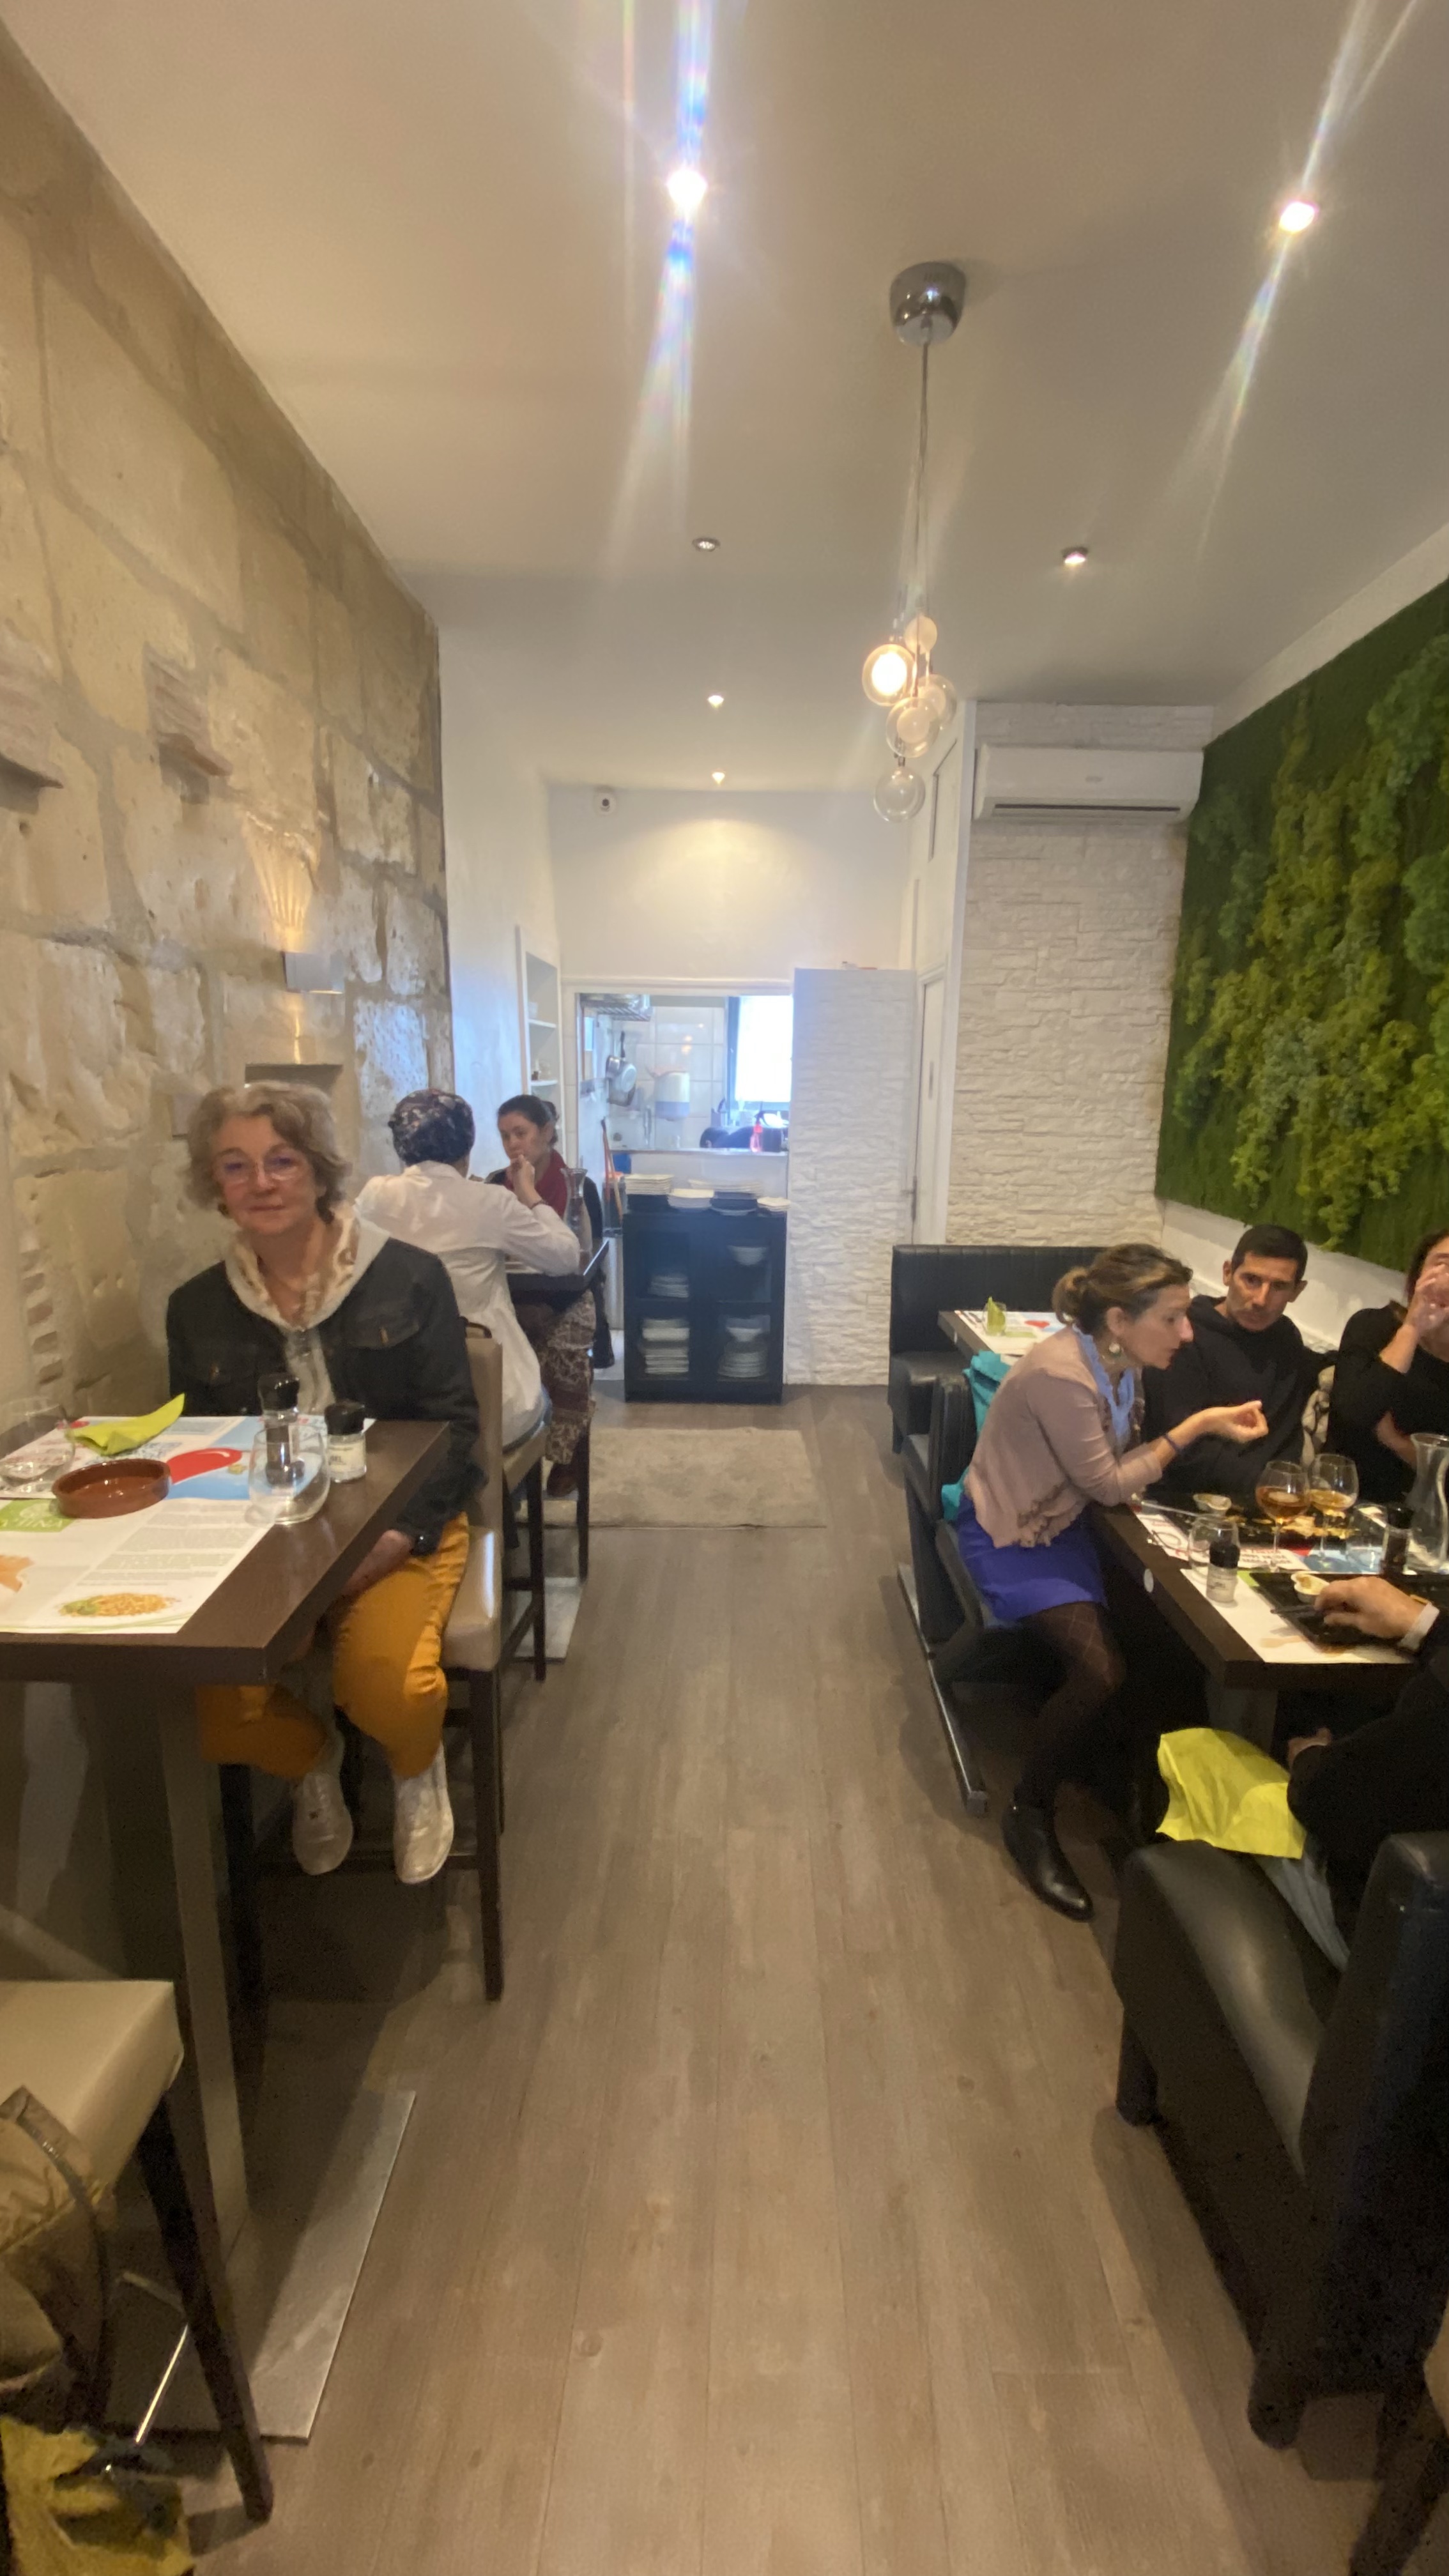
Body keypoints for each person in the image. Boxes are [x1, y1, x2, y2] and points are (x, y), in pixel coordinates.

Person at [167, 1082, 479, 1886]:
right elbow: (202, 1452)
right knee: (221, 1711)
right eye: (236, 1166)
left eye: (281, 1160)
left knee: (387, 1684)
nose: (261, 1183)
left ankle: (416, 1767)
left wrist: (393, 1540)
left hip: (399, 1525)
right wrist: (274, 1585)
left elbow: (454, 1432)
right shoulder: (195, 1309)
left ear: (317, 1170)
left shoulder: (409, 1278)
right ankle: (313, 1759)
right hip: (267, 1546)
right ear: (214, 1182)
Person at [960, 1243, 1268, 1920]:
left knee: (1163, 1636)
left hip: (1066, 1523)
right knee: (1101, 1671)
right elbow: (1105, 1481)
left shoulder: (1121, 1364)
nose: (1187, 1334)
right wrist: (1199, 1425)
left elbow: (1114, 1468)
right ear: (1121, 1320)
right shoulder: (1063, 1374)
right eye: (1173, 1319)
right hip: (1013, 1534)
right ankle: (1029, 1812)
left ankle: (1131, 1796)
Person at [356, 1088, 580, 1445]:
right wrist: (529, 1194)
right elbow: (566, 1257)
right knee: (541, 1398)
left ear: (401, 1146)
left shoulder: (374, 1196)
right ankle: (511, 1478)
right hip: (491, 1395)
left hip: (395, 1399)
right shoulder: (489, 1200)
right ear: (466, 1144)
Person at [1275, 1572, 1449, 1948]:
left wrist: (1308, 1756)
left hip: (1391, 1934)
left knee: (1209, 1760)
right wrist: (1423, 1626)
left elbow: (1329, 1800)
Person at [1142, 1223, 1318, 1498]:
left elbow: (1285, 1438)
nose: (1261, 1299)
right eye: (1252, 1280)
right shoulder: (1184, 1335)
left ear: (1297, 1291)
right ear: (1227, 1273)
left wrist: (1285, 1490)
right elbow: (1178, 1446)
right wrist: (1267, 1488)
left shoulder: (1286, 1338)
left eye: (1279, 1286)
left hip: (1266, 1501)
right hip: (1183, 1497)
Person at [488, 1096, 598, 1498]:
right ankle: (515, 1449)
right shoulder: (494, 1185)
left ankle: (566, 1451)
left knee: (565, 1354)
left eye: (520, 1133)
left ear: (547, 1132)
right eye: (505, 1136)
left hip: (563, 1297)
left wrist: (530, 1194)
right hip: (513, 1296)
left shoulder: (577, 1186)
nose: (512, 1144)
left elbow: (585, 1257)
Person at [1326, 1229, 1449, 1504]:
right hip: (1350, 1498)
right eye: (1442, 1264)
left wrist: (1395, 1440)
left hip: (1433, 1513)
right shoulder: (1373, 1327)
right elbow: (1352, 1419)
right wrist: (1413, 1328)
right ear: (1419, 1275)